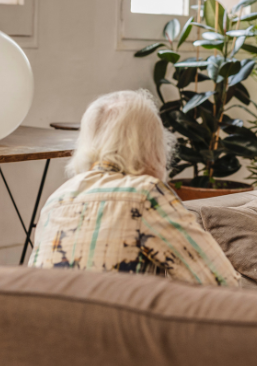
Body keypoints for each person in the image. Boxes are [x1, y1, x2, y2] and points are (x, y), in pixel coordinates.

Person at [28, 90, 239, 286]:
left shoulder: (56, 198)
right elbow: (221, 283)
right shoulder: (144, 195)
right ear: (151, 145)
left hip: (44, 324)